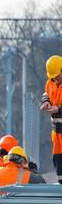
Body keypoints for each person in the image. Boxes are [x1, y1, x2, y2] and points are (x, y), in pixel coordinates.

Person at [41, 55, 62, 184]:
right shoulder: (50, 82)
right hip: (56, 131)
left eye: (57, 75)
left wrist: (58, 110)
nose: (55, 78)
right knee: (57, 159)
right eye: (53, 76)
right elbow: (46, 93)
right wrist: (46, 102)